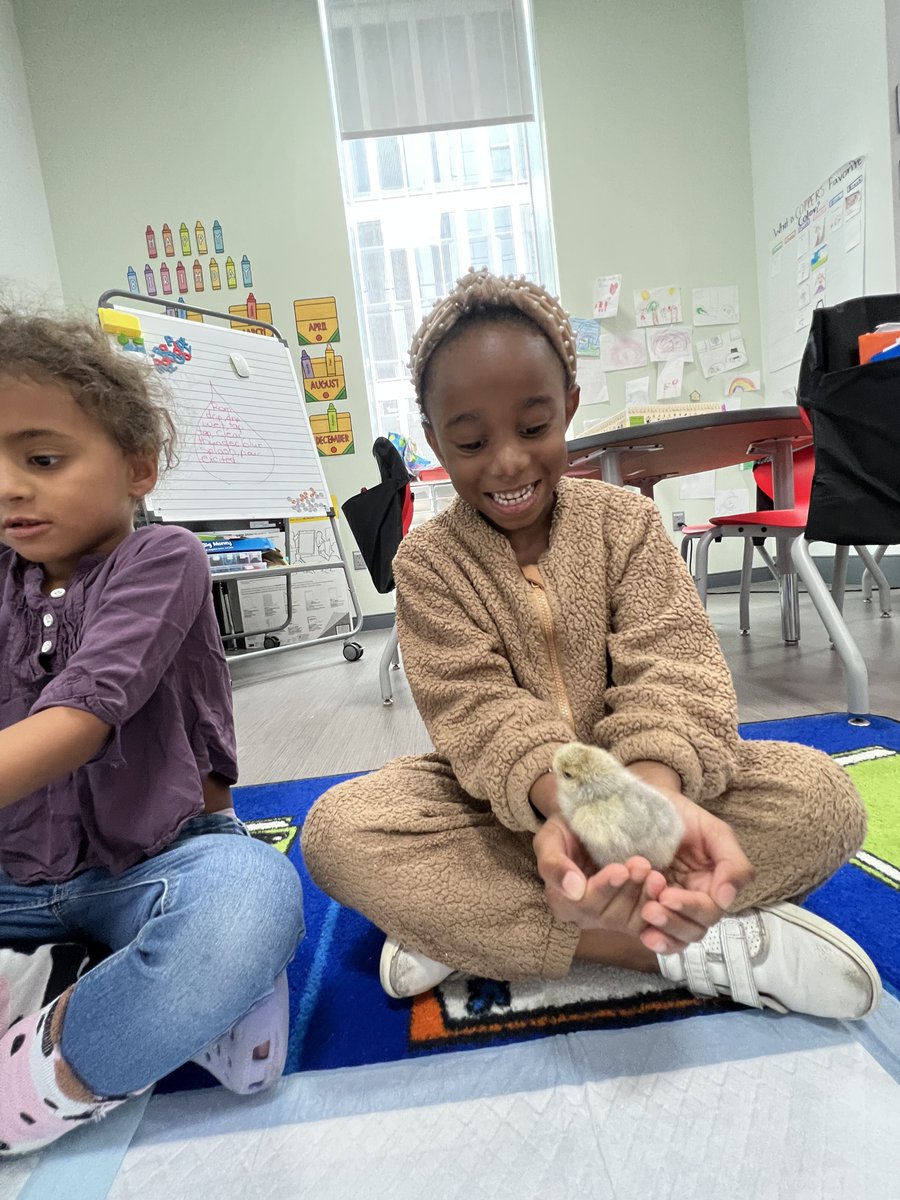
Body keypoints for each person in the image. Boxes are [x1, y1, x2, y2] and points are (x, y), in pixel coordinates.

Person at [302, 269, 880, 1021]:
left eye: (534, 428)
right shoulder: (427, 561)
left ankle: (470, 929)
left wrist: (640, 814)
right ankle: (685, 948)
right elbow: (478, 715)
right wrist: (574, 809)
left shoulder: (628, 525)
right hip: (509, 804)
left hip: (652, 794)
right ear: (434, 437)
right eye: (472, 441)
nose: (507, 462)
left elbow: (675, 672)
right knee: (341, 833)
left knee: (823, 796)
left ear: (569, 408)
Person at [0, 306, 304, 1156]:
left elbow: (80, 719)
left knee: (252, 904)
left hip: (155, 864)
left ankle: (45, 1077)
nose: (8, 485)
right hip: (13, 882)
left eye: (42, 459)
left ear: (137, 466)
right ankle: (88, 991)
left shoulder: (162, 558)